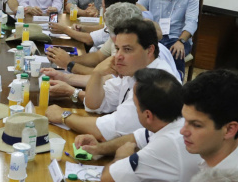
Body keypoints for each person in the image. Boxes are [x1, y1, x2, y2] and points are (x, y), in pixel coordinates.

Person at [90, 67, 199, 182]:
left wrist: (121, 157)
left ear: (148, 115)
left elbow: (108, 180)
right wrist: (99, 148)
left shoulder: (167, 145)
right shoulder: (175, 122)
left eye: (135, 106)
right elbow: (137, 137)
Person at [45, 20, 176, 141]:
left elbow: (106, 131)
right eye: (118, 48)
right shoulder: (135, 70)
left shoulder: (156, 82)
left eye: (127, 49)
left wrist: (63, 116)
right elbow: (94, 104)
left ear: (149, 50)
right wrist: (97, 73)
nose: (118, 56)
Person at [136, 0, 200, 75]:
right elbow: (136, 7)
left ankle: (177, 81)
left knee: (175, 51)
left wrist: (181, 41)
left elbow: (192, 22)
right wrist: (146, 14)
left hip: (177, 39)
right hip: (156, 38)